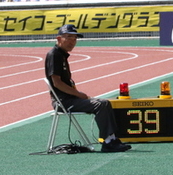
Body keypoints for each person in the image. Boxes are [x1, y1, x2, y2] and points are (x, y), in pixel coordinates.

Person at [45, 24, 131, 153]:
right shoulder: (54, 55)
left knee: (105, 103)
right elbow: (57, 83)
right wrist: (79, 94)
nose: (72, 42)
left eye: (74, 39)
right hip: (63, 102)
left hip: (69, 99)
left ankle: (112, 139)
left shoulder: (62, 55)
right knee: (101, 105)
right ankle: (108, 142)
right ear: (59, 38)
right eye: (68, 38)